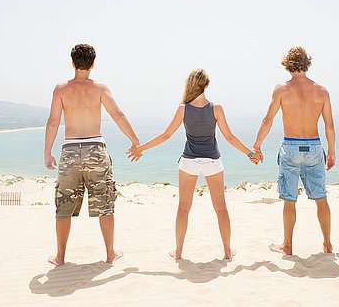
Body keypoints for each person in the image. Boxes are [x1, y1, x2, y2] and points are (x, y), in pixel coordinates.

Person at [128, 69, 258, 260]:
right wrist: (250, 153)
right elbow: (229, 137)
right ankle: (227, 252)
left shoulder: (183, 108)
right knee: (221, 208)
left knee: (183, 208)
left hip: (189, 161)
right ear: (206, 85)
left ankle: (178, 252)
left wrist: (141, 149)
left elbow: (165, 135)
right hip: (212, 161)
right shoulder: (216, 108)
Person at [44, 44, 140, 265]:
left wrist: (48, 152)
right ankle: (110, 254)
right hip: (96, 149)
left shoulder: (60, 89)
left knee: (64, 204)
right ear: (93, 64)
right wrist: (134, 140)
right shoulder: (100, 88)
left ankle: (60, 257)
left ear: (72, 63)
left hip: (69, 150)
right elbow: (117, 115)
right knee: (105, 203)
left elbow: (53, 122)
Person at [252, 47, 336, 255]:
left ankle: (287, 245)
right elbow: (329, 125)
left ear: (287, 64)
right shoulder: (322, 91)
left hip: (290, 146)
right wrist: (332, 152)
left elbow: (267, 120)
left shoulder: (281, 90)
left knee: (289, 200)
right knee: (321, 199)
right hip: (315, 146)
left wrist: (257, 146)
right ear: (306, 63)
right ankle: (327, 244)